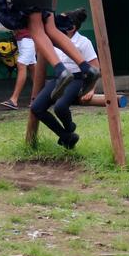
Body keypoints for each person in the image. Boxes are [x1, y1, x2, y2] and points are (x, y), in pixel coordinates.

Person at [30, 8, 98, 150]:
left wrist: (91, 89)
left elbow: (95, 68)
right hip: (60, 78)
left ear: (72, 27)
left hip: (76, 79)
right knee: (36, 108)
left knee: (60, 107)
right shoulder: (54, 40)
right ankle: (67, 136)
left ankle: (69, 127)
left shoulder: (83, 42)